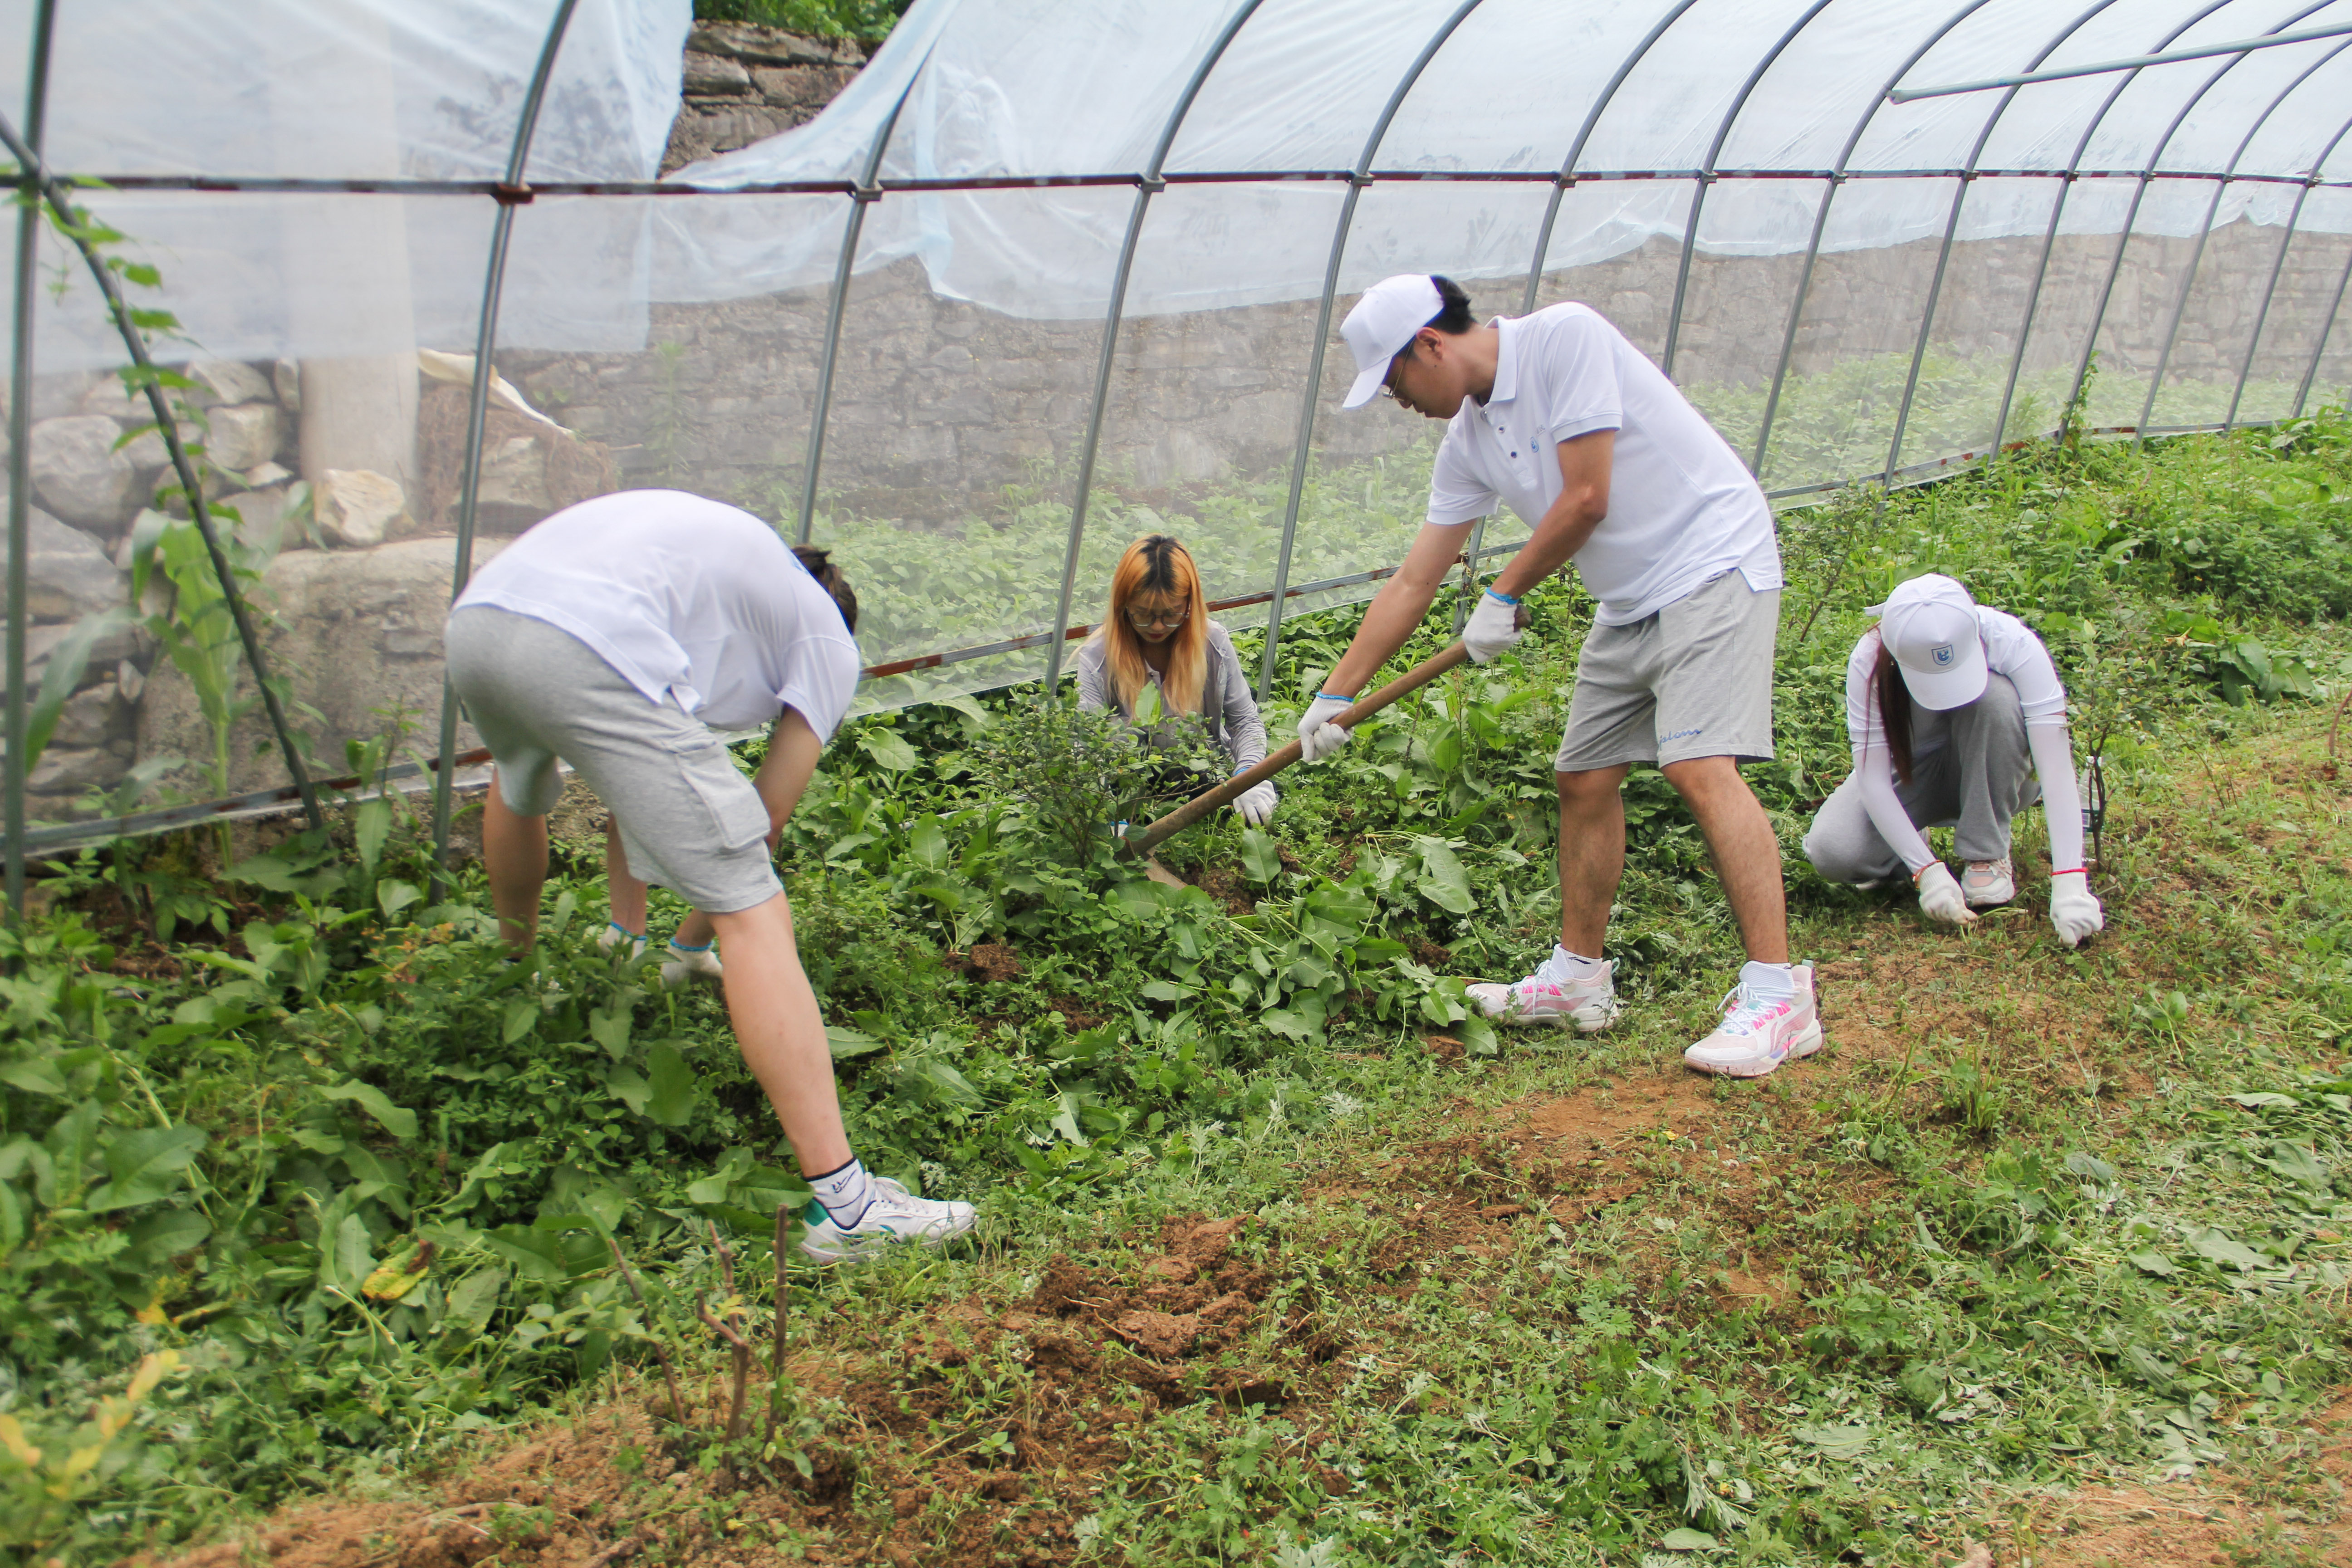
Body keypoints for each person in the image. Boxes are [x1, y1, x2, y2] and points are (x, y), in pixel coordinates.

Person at [1299, 274, 1818, 1078]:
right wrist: (1336, 692)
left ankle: (1779, 997)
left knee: (1695, 764)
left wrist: (1503, 594)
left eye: (1395, 379)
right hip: (1628, 595)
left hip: (1710, 558)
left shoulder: (1562, 339)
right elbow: (1414, 580)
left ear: (1429, 344)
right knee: (1580, 778)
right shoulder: (1467, 442)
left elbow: (1585, 498)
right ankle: (1578, 978)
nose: (1397, 400)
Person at [444, 488, 976, 1262]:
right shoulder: (826, 636)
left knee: (514, 785)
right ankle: (849, 1208)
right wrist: (701, 938)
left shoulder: (715, 582)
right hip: (585, 643)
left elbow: (643, 789)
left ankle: (520, 980)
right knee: (756, 910)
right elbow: (768, 815)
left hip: (483, 620)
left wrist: (648, 938)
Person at [1803, 573, 2104, 947]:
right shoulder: (1869, 658)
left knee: (1996, 698)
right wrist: (1925, 871)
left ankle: (1986, 853)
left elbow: (2056, 769)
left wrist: (2071, 882)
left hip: (1996, 770)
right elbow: (1874, 780)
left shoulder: (2012, 642)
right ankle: (1911, 848)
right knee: (1834, 851)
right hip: (1919, 775)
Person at [1075, 534, 1276, 825]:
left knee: (1259, 813)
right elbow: (1089, 749)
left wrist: (1246, 776)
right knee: (1111, 840)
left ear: (1189, 604)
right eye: (1143, 615)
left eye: (1171, 615)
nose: (1157, 626)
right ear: (1123, 605)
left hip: (1202, 780)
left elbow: (1245, 721)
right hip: (1127, 792)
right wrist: (1108, 815)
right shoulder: (1097, 659)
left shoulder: (1213, 642)